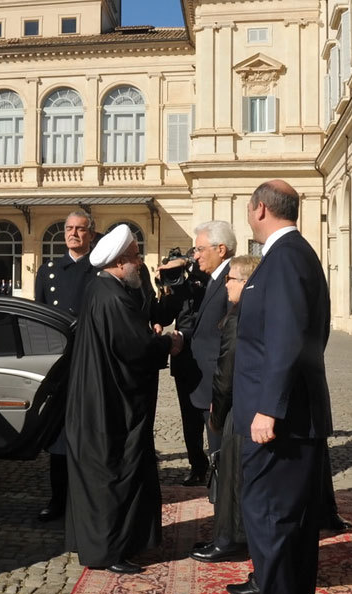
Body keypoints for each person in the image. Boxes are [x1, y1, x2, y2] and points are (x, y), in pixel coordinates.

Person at [224, 180, 332, 594]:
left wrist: (269, 408)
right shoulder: (293, 254)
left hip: (278, 422)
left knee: (274, 527)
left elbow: (286, 340)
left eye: (249, 207)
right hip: (284, 416)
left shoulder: (284, 258)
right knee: (283, 528)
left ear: (260, 209)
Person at [65, 224, 183, 574]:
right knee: (112, 472)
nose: (138, 263)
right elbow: (135, 346)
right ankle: (111, 551)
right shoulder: (112, 296)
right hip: (109, 406)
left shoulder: (103, 289)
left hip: (101, 397)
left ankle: (114, 544)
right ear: (119, 262)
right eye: (134, 258)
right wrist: (170, 343)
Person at [189, 255, 260, 565]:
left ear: (245, 283)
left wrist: (216, 418)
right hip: (252, 406)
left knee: (230, 478)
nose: (226, 284)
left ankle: (226, 540)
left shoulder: (238, 315)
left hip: (236, 410)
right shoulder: (258, 311)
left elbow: (225, 372)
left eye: (231, 279)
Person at [158, 222, 237, 488]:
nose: (199, 255)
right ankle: (197, 464)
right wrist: (167, 288)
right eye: (196, 251)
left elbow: (224, 330)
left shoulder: (213, 279)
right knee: (189, 420)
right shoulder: (185, 282)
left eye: (201, 250)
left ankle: (219, 476)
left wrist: (190, 272)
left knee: (213, 423)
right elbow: (164, 315)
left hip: (211, 365)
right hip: (185, 360)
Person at [33, 209, 98, 522]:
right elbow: (40, 322)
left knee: (89, 434)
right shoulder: (48, 271)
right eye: (69, 228)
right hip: (61, 365)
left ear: (90, 234)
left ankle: (86, 500)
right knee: (58, 437)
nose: (74, 233)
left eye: (81, 229)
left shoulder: (99, 270)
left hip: (91, 362)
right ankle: (58, 498)